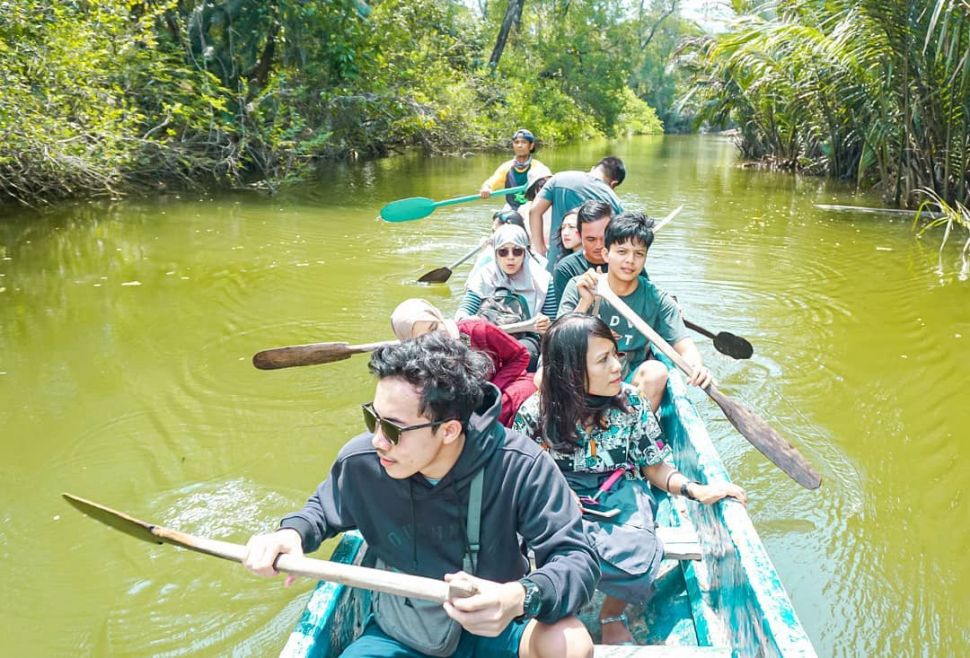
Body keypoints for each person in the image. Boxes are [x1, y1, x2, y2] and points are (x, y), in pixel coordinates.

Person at [243, 334, 599, 658]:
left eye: (394, 429)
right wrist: (290, 534)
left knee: (569, 643)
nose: (378, 440)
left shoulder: (519, 465)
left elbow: (577, 560)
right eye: (373, 419)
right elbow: (322, 509)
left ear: (449, 431)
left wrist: (519, 597)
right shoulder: (363, 462)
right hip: (403, 631)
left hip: (498, 625)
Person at [512, 314, 747, 645]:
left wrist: (695, 489)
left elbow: (654, 467)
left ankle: (611, 610)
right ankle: (561, 605)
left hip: (616, 490)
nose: (617, 367)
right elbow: (520, 473)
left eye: (615, 354)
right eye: (602, 360)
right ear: (571, 371)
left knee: (638, 553)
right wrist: (556, 491)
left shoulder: (631, 402)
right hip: (557, 493)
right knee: (546, 545)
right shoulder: (536, 412)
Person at [557, 211, 709, 412]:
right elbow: (558, 345)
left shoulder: (657, 299)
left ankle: (635, 432)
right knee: (543, 377)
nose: (630, 260)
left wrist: (697, 366)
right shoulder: (581, 286)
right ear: (605, 254)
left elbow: (685, 348)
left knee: (657, 372)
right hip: (584, 374)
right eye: (622, 252)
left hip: (625, 377)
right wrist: (585, 303)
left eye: (639, 254)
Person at [390, 298, 537, 427]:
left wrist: (493, 391)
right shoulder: (417, 363)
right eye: (424, 337)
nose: (436, 336)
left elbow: (521, 355)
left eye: (434, 327)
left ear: (439, 317)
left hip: (503, 389)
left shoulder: (476, 330)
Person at [457, 224, 557, 370]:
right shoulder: (484, 276)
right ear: (496, 254)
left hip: (525, 339)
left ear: (525, 252)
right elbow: (462, 314)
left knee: (522, 352)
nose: (510, 257)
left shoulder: (542, 279)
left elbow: (552, 322)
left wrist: (545, 324)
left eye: (517, 251)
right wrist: (471, 321)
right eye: (503, 252)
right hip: (485, 339)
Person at [529, 156, 626, 270]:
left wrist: (540, 248)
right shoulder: (614, 200)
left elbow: (534, 211)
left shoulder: (559, 179)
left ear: (593, 168)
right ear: (613, 183)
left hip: (556, 262)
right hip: (592, 268)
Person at [551, 200, 616, 310]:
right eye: (591, 239)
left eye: (604, 238)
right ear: (580, 235)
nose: (599, 245)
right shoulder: (565, 269)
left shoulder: (626, 263)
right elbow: (563, 322)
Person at [480, 128, 548, 211]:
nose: (519, 145)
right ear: (513, 145)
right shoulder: (506, 167)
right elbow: (492, 181)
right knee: (497, 221)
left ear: (531, 146)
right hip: (512, 208)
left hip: (532, 208)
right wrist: (487, 187)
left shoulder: (538, 167)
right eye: (516, 142)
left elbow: (549, 187)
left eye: (524, 142)